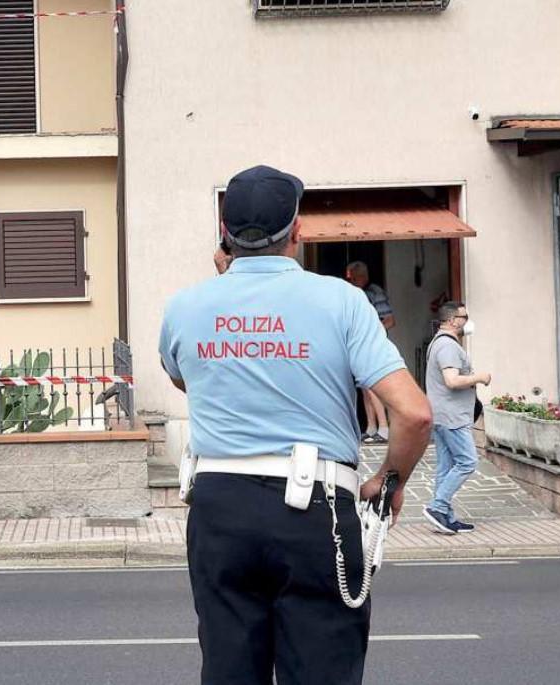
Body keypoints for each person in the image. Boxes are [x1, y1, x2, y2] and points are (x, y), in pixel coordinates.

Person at [160, 165, 432, 684]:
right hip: (315, 510)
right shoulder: (343, 301)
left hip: (219, 509)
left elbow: (185, 380)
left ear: (224, 232)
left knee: (229, 671)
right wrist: (388, 480)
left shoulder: (184, 307)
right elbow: (415, 413)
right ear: (298, 231)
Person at [423, 301, 490, 534]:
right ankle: (438, 506)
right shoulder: (447, 346)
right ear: (452, 320)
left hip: (443, 414)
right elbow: (451, 381)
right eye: (464, 317)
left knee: (446, 466)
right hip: (452, 417)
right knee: (467, 461)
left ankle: (445, 517)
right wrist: (480, 377)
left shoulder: (440, 343)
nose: (467, 321)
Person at [345, 261, 396, 444]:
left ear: (361, 276)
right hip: (358, 344)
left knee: (372, 385)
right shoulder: (354, 294)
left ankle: (384, 429)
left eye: (352, 278)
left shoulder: (375, 293)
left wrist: (371, 332)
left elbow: (390, 320)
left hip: (372, 345)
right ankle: (371, 428)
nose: (350, 281)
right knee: (364, 387)